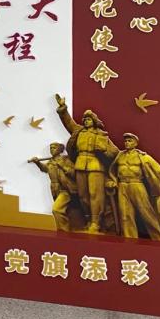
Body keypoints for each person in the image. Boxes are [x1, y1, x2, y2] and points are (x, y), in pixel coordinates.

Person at [55, 94, 119, 233]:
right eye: (85, 119)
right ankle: (88, 220)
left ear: (94, 121)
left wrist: (103, 151)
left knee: (95, 195)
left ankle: (96, 223)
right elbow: (68, 122)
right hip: (80, 165)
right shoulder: (78, 131)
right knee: (83, 196)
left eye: (89, 119)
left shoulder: (102, 135)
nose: (86, 121)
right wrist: (63, 108)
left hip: (95, 166)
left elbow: (115, 152)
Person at [108, 132, 160, 240]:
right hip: (122, 186)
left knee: (147, 213)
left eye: (129, 141)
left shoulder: (143, 157)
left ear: (135, 143)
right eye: (125, 141)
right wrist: (113, 181)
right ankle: (129, 240)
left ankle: (158, 239)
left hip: (137, 185)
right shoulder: (120, 156)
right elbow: (113, 171)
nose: (127, 143)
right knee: (125, 216)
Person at [29, 142, 78, 232]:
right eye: (50, 148)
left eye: (54, 148)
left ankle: (64, 231)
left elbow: (74, 173)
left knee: (56, 210)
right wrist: (37, 163)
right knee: (64, 211)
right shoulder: (51, 162)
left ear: (59, 150)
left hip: (65, 189)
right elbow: (45, 169)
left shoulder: (65, 159)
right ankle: (63, 229)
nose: (52, 150)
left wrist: (62, 166)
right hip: (54, 188)